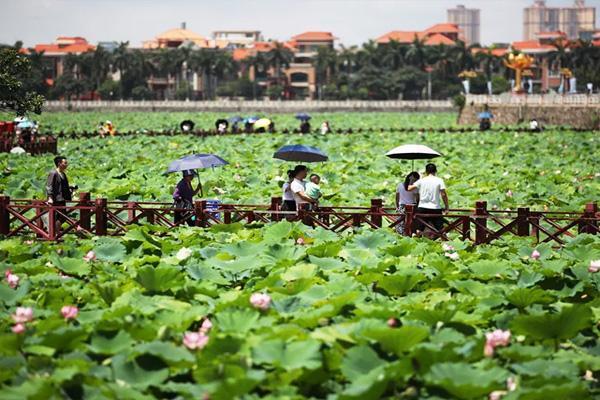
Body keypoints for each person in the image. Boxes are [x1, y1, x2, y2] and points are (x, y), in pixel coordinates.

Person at [408, 163, 449, 236]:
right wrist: (446, 207)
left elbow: (409, 188)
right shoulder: (439, 180)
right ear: (435, 171)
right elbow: (443, 194)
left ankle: (417, 241)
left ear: (426, 171)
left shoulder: (422, 180)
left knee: (419, 230)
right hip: (435, 208)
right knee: (441, 230)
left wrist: (410, 180)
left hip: (422, 207)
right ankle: (446, 244)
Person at [46, 156, 77, 228]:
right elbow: (49, 186)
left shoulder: (63, 174)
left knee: (62, 217)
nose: (67, 165)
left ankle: (55, 231)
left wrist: (71, 188)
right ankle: (54, 232)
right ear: (59, 163)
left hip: (62, 199)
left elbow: (63, 186)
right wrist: (50, 198)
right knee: (58, 216)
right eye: (65, 163)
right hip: (55, 199)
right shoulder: (53, 173)